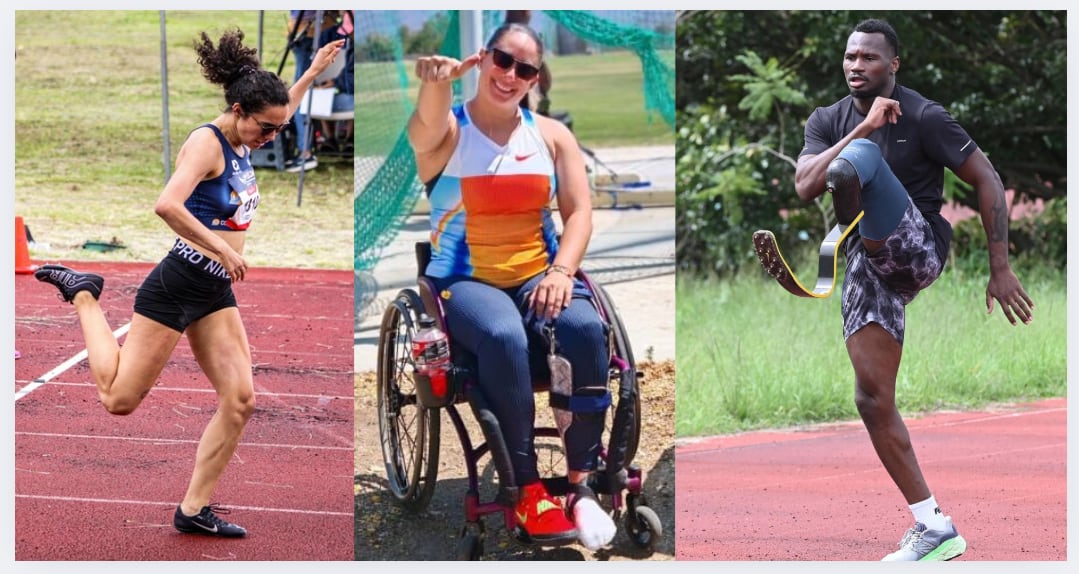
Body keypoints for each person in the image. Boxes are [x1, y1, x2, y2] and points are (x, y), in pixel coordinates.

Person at [34, 28, 344, 538]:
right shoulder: (209, 142)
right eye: (266, 129)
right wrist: (222, 248)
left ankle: (194, 510)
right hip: (179, 282)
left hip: (214, 290)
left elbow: (282, 106)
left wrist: (311, 73)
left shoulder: (255, 123)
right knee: (118, 401)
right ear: (240, 109)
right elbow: (167, 204)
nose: (271, 138)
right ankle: (85, 293)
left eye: (277, 129)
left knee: (241, 399)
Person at [792, 18, 1034, 561]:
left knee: (864, 161)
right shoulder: (827, 119)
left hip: (917, 250)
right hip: (870, 267)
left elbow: (988, 178)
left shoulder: (925, 115)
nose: (857, 66)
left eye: (870, 59)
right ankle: (934, 525)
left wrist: (1000, 267)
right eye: (851, 57)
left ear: (893, 65)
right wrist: (862, 127)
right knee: (871, 397)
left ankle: (847, 239)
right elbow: (806, 185)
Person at [407, 23, 617, 551]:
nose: (511, 76)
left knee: (587, 330)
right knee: (503, 337)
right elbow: (423, 128)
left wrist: (561, 271)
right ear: (484, 60)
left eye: (526, 69)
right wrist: (436, 83)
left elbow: (579, 212)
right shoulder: (450, 133)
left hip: (537, 276)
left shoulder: (550, 135)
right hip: (463, 280)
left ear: (535, 78)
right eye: (503, 61)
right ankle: (525, 488)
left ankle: (579, 485)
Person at [285, 10, 344, 172]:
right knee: (301, 90)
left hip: (309, 32)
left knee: (299, 94)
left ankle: (306, 152)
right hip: (305, 30)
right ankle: (314, 145)